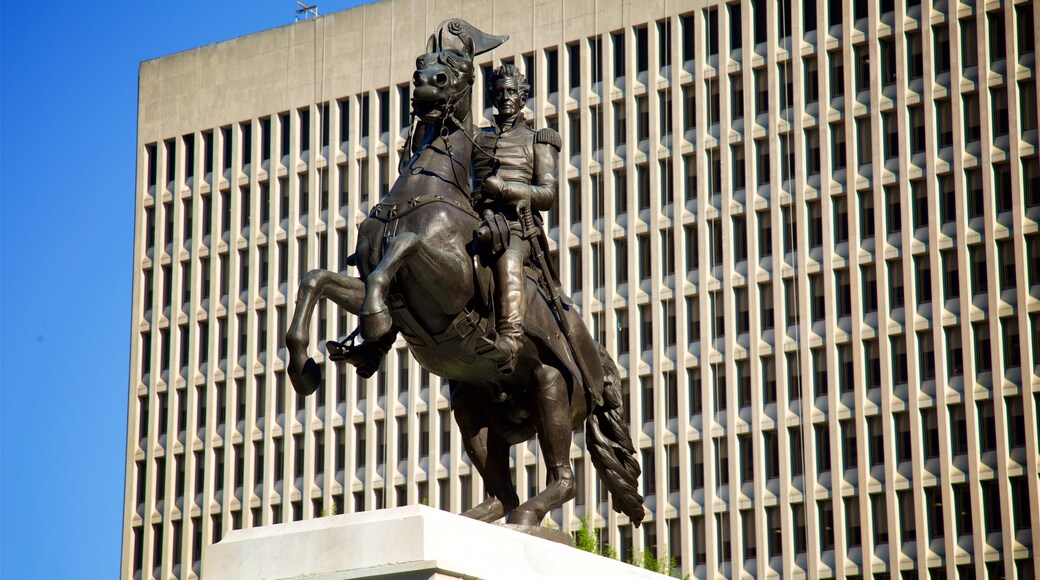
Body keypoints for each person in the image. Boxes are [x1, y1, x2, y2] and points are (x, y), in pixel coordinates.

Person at [472, 64, 561, 373]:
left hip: (515, 227)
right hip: (476, 222)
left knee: (508, 259)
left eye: (511, 91)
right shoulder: (476, 139)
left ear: (523, 96)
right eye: (498, 93)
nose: (504, 97)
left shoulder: (539, 139)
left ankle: (510, 340)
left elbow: (547, 194)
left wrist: (506, 189)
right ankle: (381, 341)